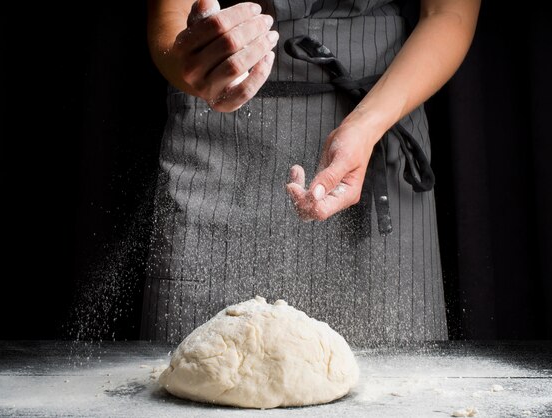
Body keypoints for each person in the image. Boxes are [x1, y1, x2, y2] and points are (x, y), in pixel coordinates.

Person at [141, 0, 480, 347]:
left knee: (398, 386)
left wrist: (366, 125)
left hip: (380, 123)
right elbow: (173, 15)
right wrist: (190, 60)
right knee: (191, 372)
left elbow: (449, 15)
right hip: (217, 134)